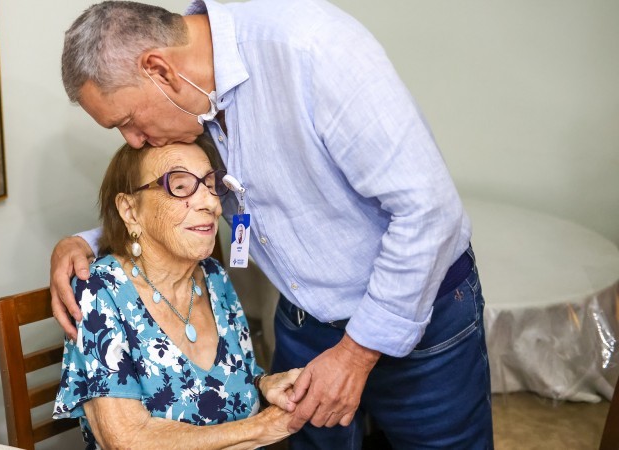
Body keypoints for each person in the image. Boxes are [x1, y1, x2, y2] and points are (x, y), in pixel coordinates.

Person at [52, 1, 493, 448]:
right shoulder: (192, 108)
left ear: (160, 70)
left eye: (127, 121)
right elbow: (174, 199)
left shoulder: (314, 50)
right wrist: (86, 242)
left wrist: (356, 353)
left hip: (417, 315)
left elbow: (430, 211)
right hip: (307, 321)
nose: (133, 141)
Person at [53, 135, 303, 449]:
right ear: (130, 211)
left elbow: (235, 374)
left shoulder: (213, 277)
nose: (211, 204)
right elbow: (127, 439)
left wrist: (265, 383)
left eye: (211, 184)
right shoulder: (100, 290)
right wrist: (258, 429)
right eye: (181, 186)